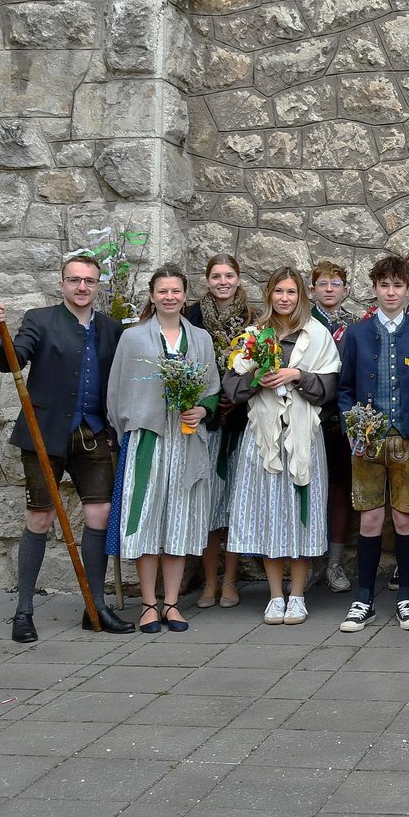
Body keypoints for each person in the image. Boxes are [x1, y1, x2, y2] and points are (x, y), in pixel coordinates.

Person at [0, 251, 133, 642]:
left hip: (94, 433)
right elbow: (13, 362)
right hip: (44, 434)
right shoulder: (40, 320)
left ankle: (95, 605)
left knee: (99, 514)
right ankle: (24, 611)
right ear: (62, 283)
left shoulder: (112, 328)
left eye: (89, 281)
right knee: (40, 518)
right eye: (75, 280)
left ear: (98, 285)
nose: (82, 287)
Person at [224, 267, 341, 626]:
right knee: (270, 512)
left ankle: (299, 594)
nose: (285, 298)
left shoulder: (317, 334)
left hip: (303, 436)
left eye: (291, 292)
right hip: (263, 437)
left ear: (301, 296)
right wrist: (258, 376)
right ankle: (276, 594)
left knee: (298, 514)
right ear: (269, 295)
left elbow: (329, 387)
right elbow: (232, 387)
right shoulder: (253, 336)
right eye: (279, 292)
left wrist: (297, 376)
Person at [107, 266, 220, 634]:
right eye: (162, 291)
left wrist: (202, 409)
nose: (169, 297)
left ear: (185, 296)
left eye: (176, 291)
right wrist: (130, 429)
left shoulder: (200, 338)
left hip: (187, 440)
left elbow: (213, 389)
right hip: (149, 440)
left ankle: (172, 603)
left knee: (178, 520)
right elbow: (117, 391)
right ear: (152, 296)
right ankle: (148, 605)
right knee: (147, 520)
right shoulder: (134, 338)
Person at [336, 255, 409, 633]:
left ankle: (406, 597)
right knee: (370, 518)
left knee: (404, 516)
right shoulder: (357, 333)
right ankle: (363, 597)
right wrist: (353, 424)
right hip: (368, 439)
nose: (392, 292)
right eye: (384, 285)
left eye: (398, 285)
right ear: (375, 288)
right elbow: (345, 388)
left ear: (408, 287)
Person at [186, 253, 252, 609]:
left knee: (235, 505)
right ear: (207, 280)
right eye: (216, 276)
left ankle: (231, 580)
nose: (223, 281)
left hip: (240, 421)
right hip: (205, 422)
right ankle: (209, 581)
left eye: (229, 275)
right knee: (210, 505)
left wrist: (236, 397)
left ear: (238, 279)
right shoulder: (192, 317)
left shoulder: (253, 319)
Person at [310, 260, 357, 594]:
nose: (329, 289)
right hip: (305, 414)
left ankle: (335, 563)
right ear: (312, 289)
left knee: (340, 490)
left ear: (346, 290)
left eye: (336, 283)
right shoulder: (300, 322)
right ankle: (310, 561)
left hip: (341, 419)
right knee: (308, 489)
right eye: (323, 283)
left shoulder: (355, 326)